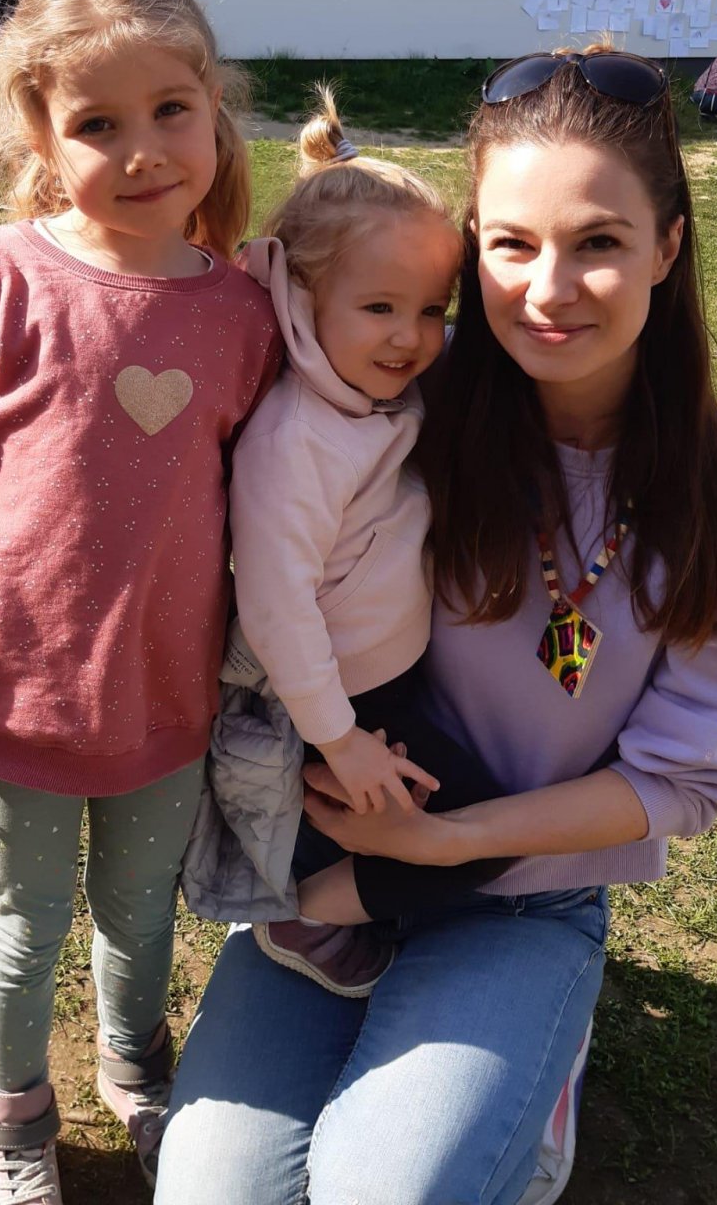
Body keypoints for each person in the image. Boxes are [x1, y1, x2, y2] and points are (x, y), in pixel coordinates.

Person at [154, 47, 717, 1205]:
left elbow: (685, 777)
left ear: (668, 245)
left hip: (525, 889)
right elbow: (229, 330)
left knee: (386, 1193)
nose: (549, 289)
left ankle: (538, 1077)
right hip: (332, 865)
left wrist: (451, 843)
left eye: (598, 241)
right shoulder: (400, 393)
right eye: (511, 244)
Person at [0, 0, 281, 1202]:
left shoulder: (244, 314)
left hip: (168, 708)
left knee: (142, 919)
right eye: (98, 124)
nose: (143, 151)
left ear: (213, 107)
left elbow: (296, 491)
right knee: (24, 926)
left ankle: (137, 1072)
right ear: (38, 131)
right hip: (14, 712)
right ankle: (15, 1122)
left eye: (170, 110)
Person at [194, 92, 519, 998]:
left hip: (386, 679)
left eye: (430, 309)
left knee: (470, 821)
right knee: (483, 833)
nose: (411, 339)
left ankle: (354, 896)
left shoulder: (365, 388)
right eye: (380, 307)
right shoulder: (297, 439)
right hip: (337, 699)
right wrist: (341, 743)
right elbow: (276, 607)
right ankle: (306, 914)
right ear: (302, 297)